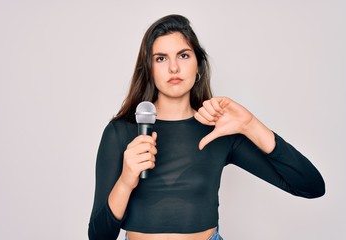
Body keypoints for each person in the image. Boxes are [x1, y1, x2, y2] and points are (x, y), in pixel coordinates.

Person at [88, 14, 325, 240]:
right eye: (161, 58)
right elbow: (99, 236)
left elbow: (310, 186)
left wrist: (250, 125)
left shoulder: (218, 130)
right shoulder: (121, 132)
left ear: (198, 65)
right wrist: (126, 180)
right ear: (149, 69)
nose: (173, 68)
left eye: (183, 56)